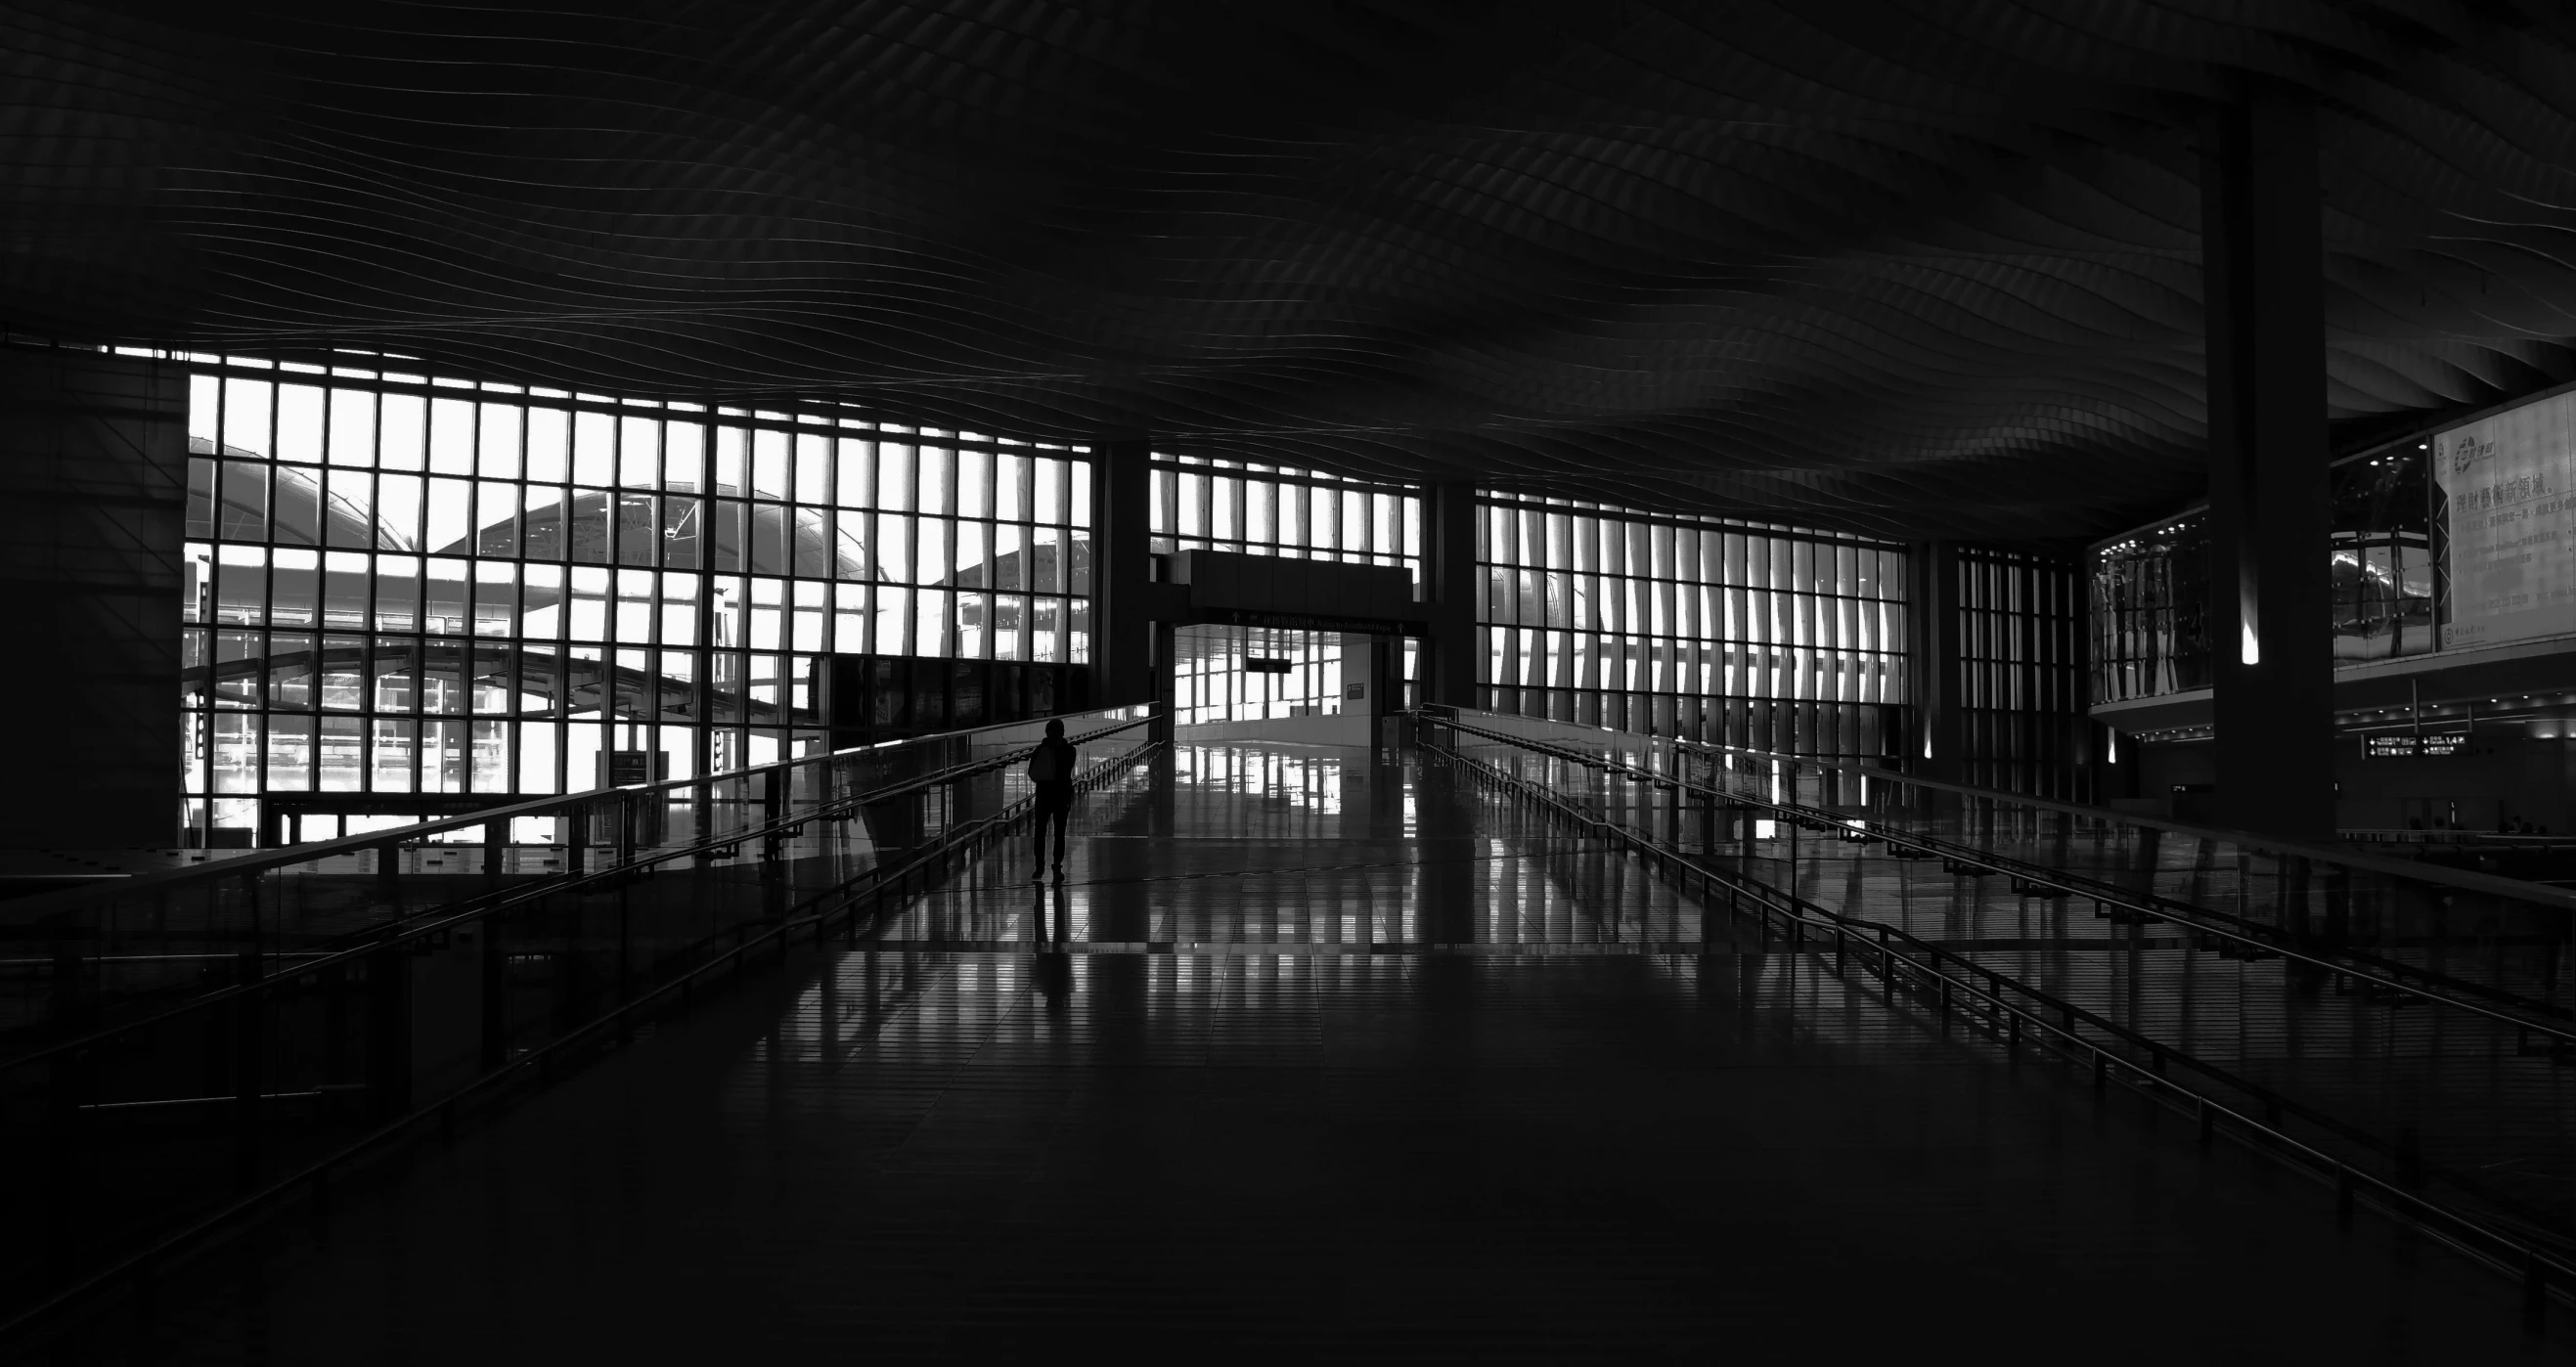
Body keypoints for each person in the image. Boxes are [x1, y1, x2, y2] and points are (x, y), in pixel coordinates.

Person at [1028, 719, 1078, 881]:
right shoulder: (1069, 750)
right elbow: (1064, 770)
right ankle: (1056, 867)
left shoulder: (1040, 750)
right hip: (1061, 795)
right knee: (1059, 833)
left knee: (1040, 832)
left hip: (1044, 795)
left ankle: (1040, 868)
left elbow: (1032, 772)